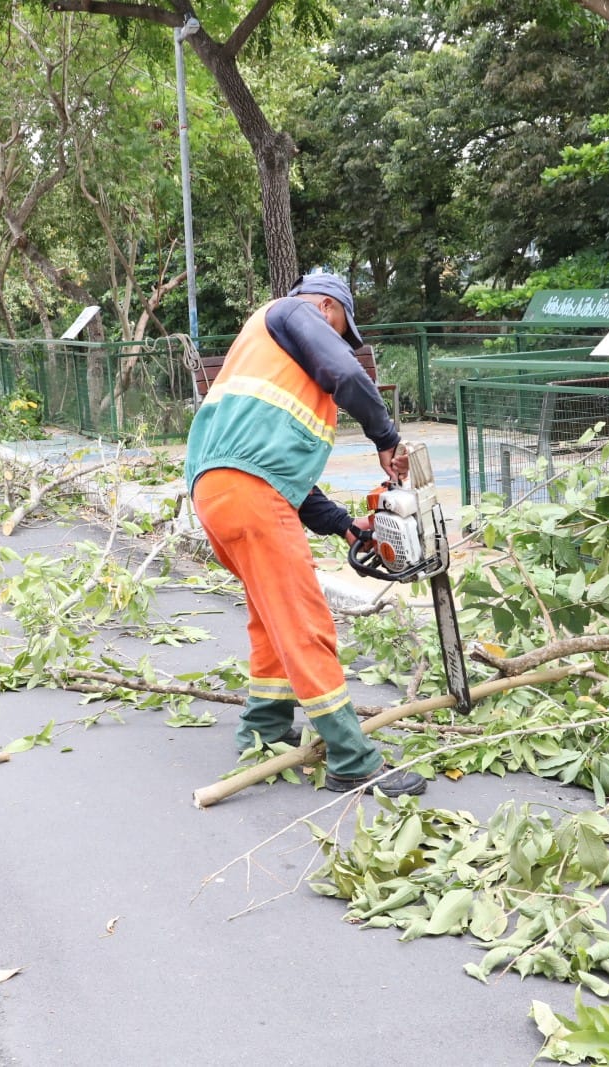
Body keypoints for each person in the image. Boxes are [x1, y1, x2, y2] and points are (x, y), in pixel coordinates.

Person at [184, 272, 426, 797]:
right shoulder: (290, 313)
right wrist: (386, 436)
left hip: (221, 492)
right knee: (304, 621)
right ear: (323, 305)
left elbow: (282, 477)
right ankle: (352, 758)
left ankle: (262, 728)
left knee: (271, 620)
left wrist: (345, 527)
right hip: (247, 493)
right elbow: (347, 372)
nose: (341, 341)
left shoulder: (266, 364)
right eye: (341, 326)